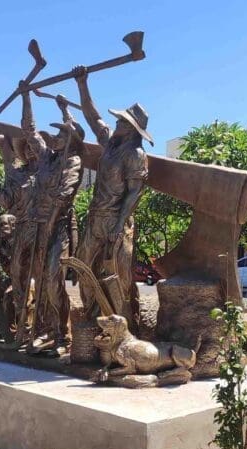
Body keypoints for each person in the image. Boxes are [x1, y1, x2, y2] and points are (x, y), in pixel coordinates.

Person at [72, 66, 151, 330]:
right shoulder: (109, 144)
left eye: (121, 121)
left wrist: (119, 225)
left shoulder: (136, 153)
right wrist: (82, 83)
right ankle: (91, 319)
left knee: (118, 277)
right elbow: (92, 117)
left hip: (118, 223)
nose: (115, 123)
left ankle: (122, 328)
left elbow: (134, 192)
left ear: (130, 128)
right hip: (96, 219)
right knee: (84, 269)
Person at [18, 86, 84, 353]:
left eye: (61, 134)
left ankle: (62, 336)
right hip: (38, 226)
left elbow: (64, 196)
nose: (55, 137)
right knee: (39, 280)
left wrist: (48, 227)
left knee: (53, 280)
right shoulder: (46, 159)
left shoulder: (73, 162)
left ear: (70, 140)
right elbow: (29, 131)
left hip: (58, 228)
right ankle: (45, 330)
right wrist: (26, 96)